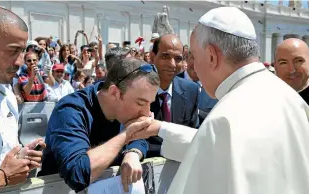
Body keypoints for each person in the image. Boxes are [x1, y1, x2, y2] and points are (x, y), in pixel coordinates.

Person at [127, 7, 309, 194]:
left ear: (212, 56)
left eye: (194, 57)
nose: (194, 67)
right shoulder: (292, 99)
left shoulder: (223, 118)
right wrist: (161, 128)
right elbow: (222, 149)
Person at [38, 58, 160, 193]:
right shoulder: (69, 110)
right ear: (115, 93)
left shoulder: (126, 112)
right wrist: (126, 135)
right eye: (141, 103)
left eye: (150, 103)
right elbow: (78, 175)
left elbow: (139, 138)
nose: (147, 112)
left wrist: (133, 153)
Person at [0, 7, 45, 191]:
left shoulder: (7, 95)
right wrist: (0, 177)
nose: (20, 62)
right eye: (13, 51)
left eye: (22, 51)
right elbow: (2, 173)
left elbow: (0, 155)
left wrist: (23, 154)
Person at [147, 34, 200, 157]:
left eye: (178, 58)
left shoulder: (191, 90)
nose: (172, 64)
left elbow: (192, 134)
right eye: (165, 56)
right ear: (152, 57)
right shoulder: (135, 90)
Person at [274, 38, 309, 104]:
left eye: (298, 61)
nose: (292, 70)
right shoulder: (266, 99)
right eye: (283, 63)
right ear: (275, 66)